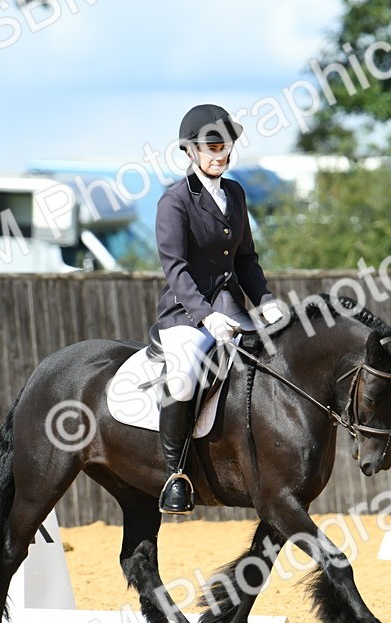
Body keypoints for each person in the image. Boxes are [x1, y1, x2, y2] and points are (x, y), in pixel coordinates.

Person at [154, 104, 285, 514]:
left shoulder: (235, 193)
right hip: (186, 312)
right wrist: (204, 314)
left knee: (278, 357)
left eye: (225, 146)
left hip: (235, 308)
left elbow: (245, 258)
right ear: (190, 151)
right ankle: (175, 475)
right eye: (211, 147)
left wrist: (265, 300)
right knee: (185, 375)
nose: (219, 155)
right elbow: (175, 267)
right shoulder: (175, 201)